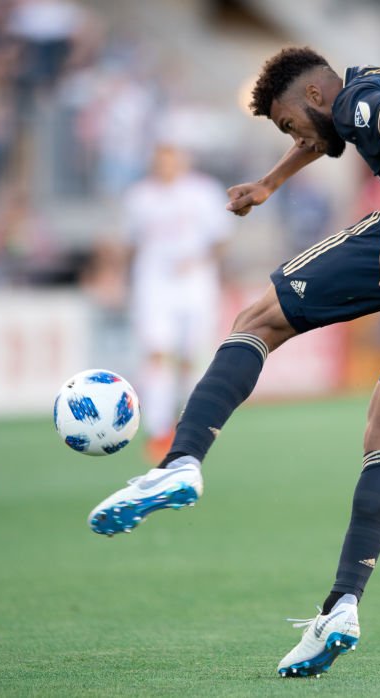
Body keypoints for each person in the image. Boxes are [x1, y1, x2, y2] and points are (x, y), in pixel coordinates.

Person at [87, 47, 380, 677]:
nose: (294, 136)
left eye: (288, 123)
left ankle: (180, 462)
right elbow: (334, 135)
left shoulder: (361, 95)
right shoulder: (356, 101)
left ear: (315, 96)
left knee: (255, 321)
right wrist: (270, 183)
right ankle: (342, 605)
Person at [121, 140, 233, 462]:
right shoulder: (139, 197)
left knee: (191, 356)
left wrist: (198, 260)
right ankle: (158, 429)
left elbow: (221, 239)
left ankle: (190, 424)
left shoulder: (203, 192)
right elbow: (131, 243)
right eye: (160, 160)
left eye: (171, 160)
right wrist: (122, 278)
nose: (165, 166)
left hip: (196, 283)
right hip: (153, 284)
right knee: (157, 353)